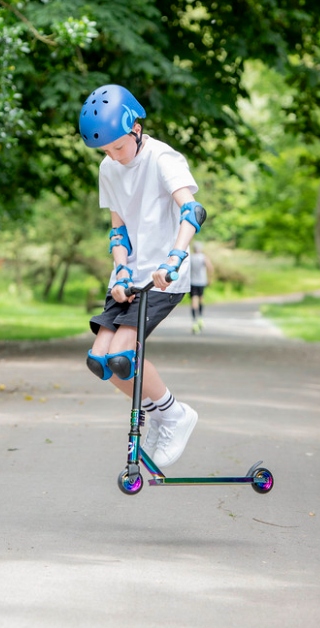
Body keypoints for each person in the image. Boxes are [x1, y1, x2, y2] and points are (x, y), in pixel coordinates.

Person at [79, 84, 206, 468]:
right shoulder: (109, 168)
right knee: (100, 362)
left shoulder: (163, 158)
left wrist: (174, 257)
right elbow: (118, 230)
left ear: (136, 128)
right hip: (128, 276)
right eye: (105, 150)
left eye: (118, 146)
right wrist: (118, 269)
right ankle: (163, 412)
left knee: (122, 356)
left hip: (162, 276)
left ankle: (174, 416)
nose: (112, 156)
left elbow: (193, 211)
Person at [189, 241, 213, 334]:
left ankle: (194, 321)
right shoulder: (204, 257)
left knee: (194, 302)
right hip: (202, 281)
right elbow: (210, 267)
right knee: (201, 299)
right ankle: (201, 318)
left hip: (192, 282)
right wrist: (210, 278)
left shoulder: (190, 257)